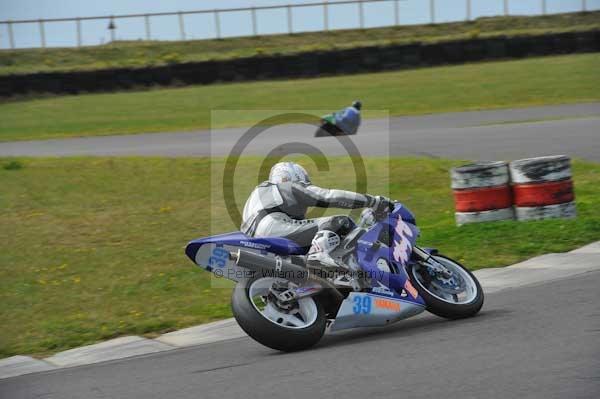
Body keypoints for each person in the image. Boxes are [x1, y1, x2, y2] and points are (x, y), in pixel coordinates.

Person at [241, 161, 392, 268]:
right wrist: (373, 201)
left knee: (313, 238)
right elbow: (327, 196)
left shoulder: (258, 195)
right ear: (293, 177)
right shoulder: (287, 186)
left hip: (252, 239)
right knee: (340, 222)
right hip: (273, 227)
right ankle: (317, 255)